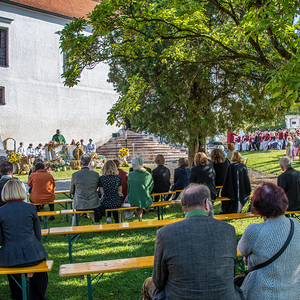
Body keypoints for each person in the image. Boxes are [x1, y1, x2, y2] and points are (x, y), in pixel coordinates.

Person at [143, 184, 244, 300]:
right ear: (207, 203)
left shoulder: (165, 233)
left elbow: (159, 281)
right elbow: (230, 273)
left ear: (183, 205)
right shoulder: (229, 230)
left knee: (150, 284)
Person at [238, 183, 300, 299]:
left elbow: (242, 250)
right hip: (294, 293)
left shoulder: (254, 230)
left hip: (261, 294)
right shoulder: (296, 224)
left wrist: (249, 257)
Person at [0, 179, 48, 300]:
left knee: (15, 273)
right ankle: (37, 294)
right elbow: (38, 235)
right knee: (40, 273)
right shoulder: (31, 208)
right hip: (34, 254)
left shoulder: (1, 212)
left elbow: (0, 240)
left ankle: (18, 295)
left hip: (9, 257)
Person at [70, 154, 100, 225]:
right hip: (93, 201)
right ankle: (96, 224)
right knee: (93, 209)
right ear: (90, 163)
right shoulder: (95, 174)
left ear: (80, 163)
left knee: (75, 207)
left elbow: (72, 190)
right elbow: (98, 188)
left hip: (79, 202)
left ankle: (74, 226)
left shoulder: (75, 175)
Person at [127, 157, 154, 222]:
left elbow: (129, 186)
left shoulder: (131, 174)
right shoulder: (148, 174)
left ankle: (129, 214)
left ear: (134, 165)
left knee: (133, 197)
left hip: (133, 198)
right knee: (140, 196)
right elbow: (151, 186)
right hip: (146, 198)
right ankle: (140, 219)